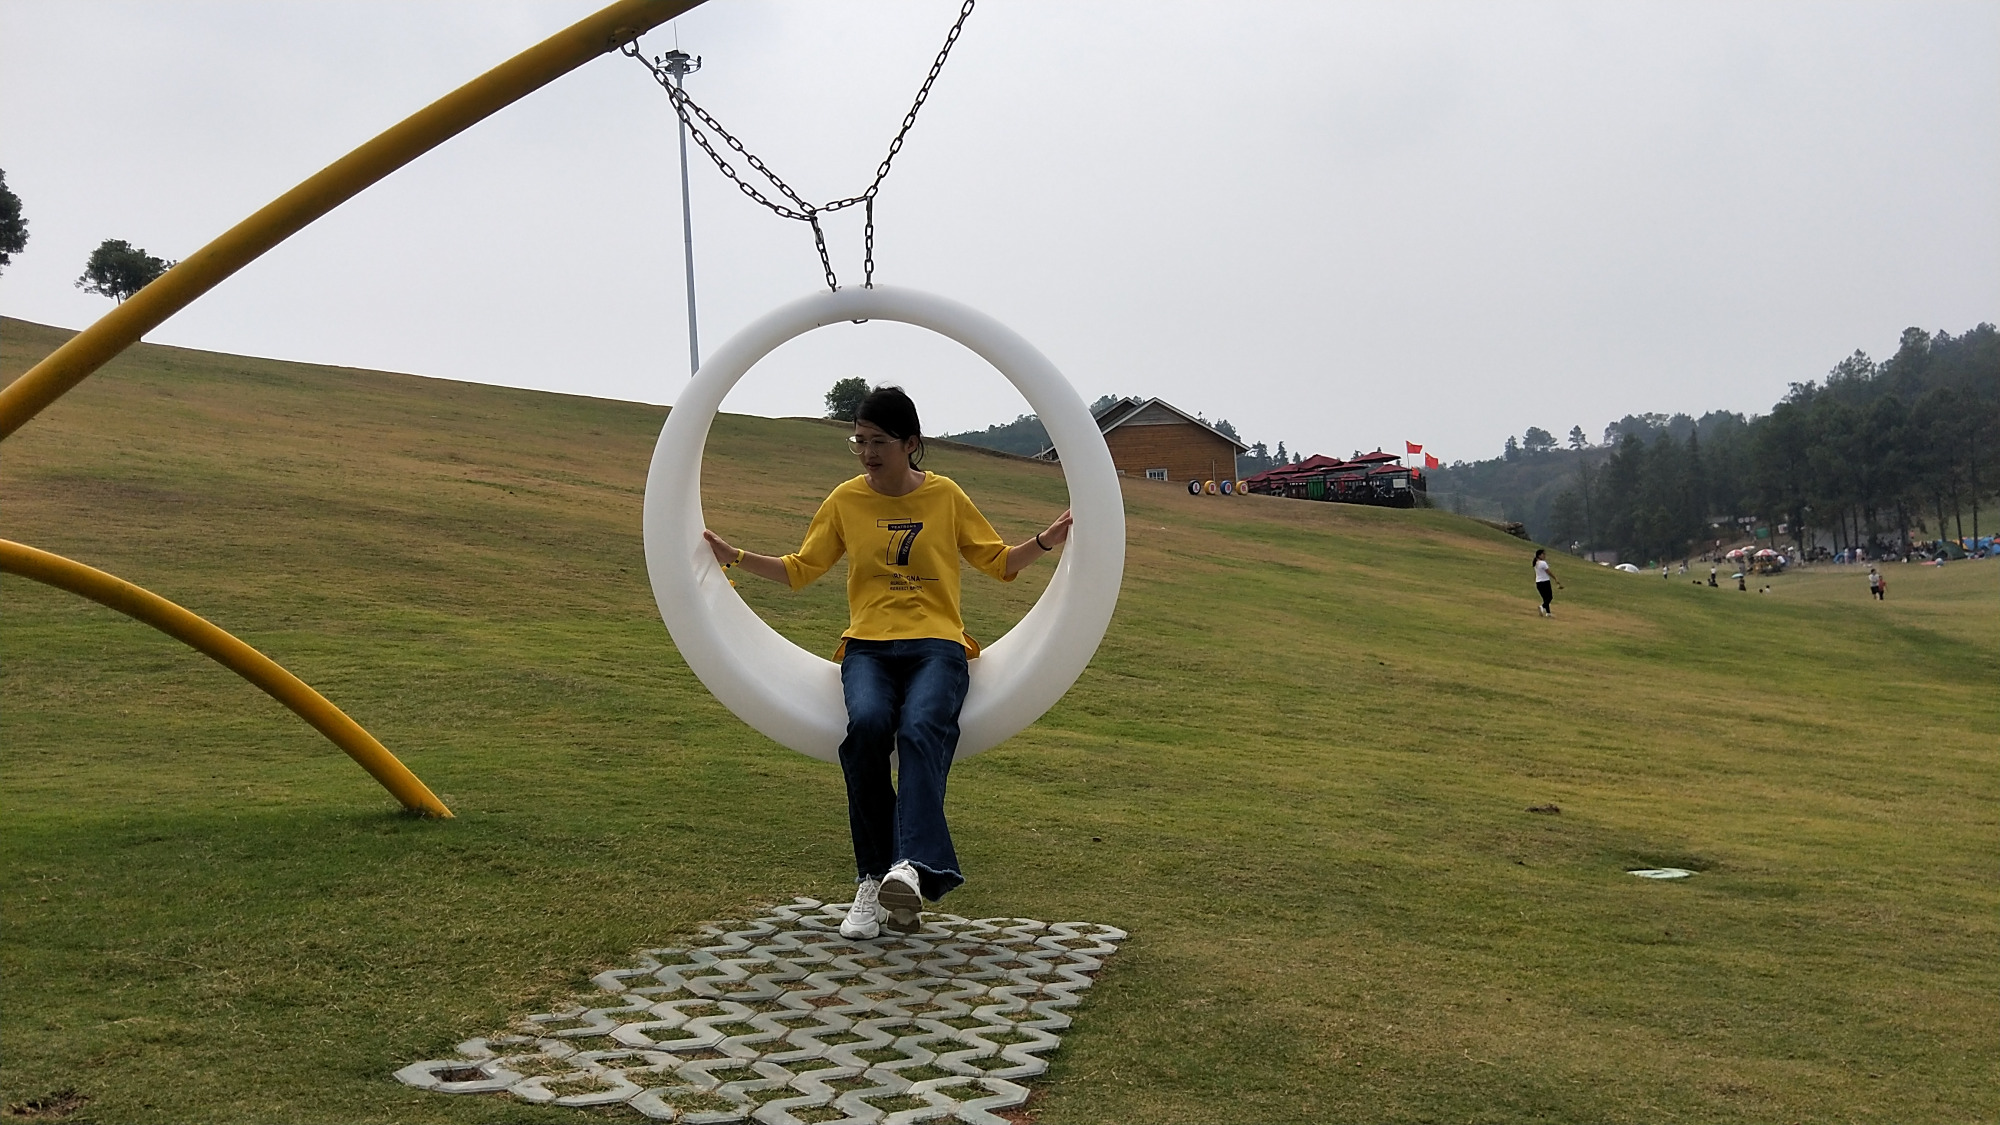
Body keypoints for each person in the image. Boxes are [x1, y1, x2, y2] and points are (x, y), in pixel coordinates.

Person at [701, 386, 1071, 941]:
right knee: (868, 728)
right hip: (868, 647)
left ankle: (904, 869)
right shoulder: (846, 500)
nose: (867, 452)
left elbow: (997, 562)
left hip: (937, 645)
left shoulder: (945, 495)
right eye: (859, 441)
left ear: (911, 443)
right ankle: (877, 879)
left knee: (923, 726)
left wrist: (1048, 540)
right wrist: (736, 558)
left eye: (878, 441)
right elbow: (802, 569)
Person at [1533, 548, 1561, 617]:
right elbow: (1548, 572)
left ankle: (1548, 613)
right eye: (1543, 554)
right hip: (1545, 582)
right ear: (1539, 555)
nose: (1545, 555)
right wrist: (1555, 578)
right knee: (1549, 597)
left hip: (1538, 582)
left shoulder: (1536, 563)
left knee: (1545, 598)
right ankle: (1542, 607)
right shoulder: (1543, 563)